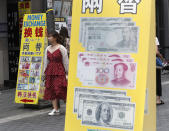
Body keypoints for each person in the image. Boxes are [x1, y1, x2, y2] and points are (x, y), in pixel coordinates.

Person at [43, 31, 69, 115]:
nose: (48, 38)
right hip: (50, 70)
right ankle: (55, 109)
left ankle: (69, 107)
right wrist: (44, 72)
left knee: (61, 88)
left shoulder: (61, 48)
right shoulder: (47, 48)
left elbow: (65, 61)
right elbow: (45, 61)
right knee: (52, 89)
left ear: (55, 38)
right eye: (48, 36)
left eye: (50, 36)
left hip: (59, 70)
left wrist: (67, 72)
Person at [156, 37, 165, 105]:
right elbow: (156, 52)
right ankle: (158, 100)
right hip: (154, 64)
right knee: (157, 80)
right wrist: (162, 58)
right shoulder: (154, 38)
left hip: (144, 63)